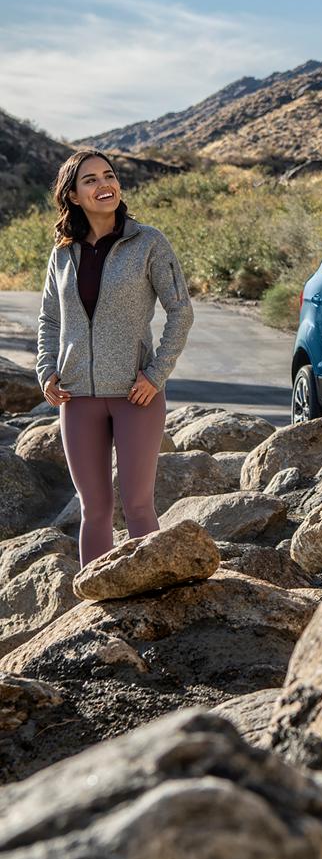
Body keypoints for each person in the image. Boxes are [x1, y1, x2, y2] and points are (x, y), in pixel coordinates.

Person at [36, 150, 194, 565]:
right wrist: (46, 371)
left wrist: (156, 373)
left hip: (135, 394)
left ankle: (157, 594)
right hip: (76, 398)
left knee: (139, 507)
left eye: (109, 176)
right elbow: (50, 319)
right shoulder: (62, 255)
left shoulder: (148, 243)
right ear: (72, 195)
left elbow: (181, 309)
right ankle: (97, 607)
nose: (104, 185)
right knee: (94, 511)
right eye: (90, 180)